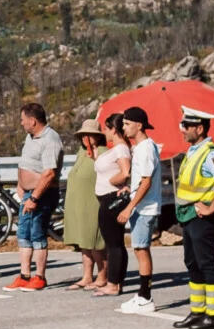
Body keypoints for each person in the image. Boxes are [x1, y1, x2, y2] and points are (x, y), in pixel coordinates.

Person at [172, 108, 214, 329]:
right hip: (188, 215)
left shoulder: (210, 153)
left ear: (199, 128)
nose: (182, 130)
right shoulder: (193, 150)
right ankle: (198, 311)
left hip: (201, 218)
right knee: (192, 263)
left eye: (186, 126)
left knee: (207, 264)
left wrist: (210, 209)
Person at [9, 102, 63, 291]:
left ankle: (39, 276)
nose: (21, 123)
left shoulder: (50, 140)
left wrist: (34, 198)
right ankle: (24, 276)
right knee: (23, 233)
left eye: (23, 120)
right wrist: (20, 183)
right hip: (28, 193)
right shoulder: (31, 137)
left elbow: (49, 173)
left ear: (32, 121)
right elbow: (25, 162)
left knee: (37, 233)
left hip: (42, 194)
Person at [117, 105, 163, 313]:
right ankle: (143, 294)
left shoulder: (145, 148)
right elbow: (141, 180)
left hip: (145, 208)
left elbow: (146, 182)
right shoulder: (142, 148)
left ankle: (146, 296)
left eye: (127, 124)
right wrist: (130, 188)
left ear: (139, 125)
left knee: (141, 249)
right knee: (139, 248)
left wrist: (129, 207)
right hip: (142, 205)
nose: (124, 128)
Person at [63, 120, 106, 290]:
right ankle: (87, 276)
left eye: (89, 135)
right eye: (83, 135)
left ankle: (103, 275)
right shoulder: (81, 152)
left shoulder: (103, 152)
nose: (85, 138)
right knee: (83, 242)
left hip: (93, 202)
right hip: (78, 202)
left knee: (93, 240)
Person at [94, 111, 131, 297]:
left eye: (106, 128)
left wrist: (112, 181)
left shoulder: (121, 149)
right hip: (106, 198)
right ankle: (117, 282)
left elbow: (125, 173)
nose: (104, 132)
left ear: (113, 129)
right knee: (115, 242)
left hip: (111, 199)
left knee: (113, 244)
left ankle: (113, 284)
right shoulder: (116, 149)